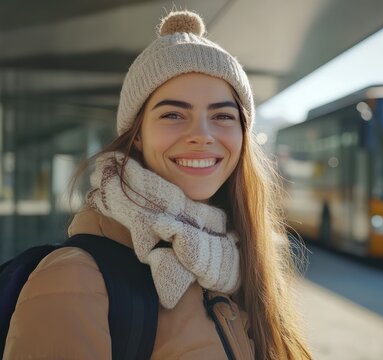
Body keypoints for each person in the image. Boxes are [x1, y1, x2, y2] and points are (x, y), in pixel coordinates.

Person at [4, 10, 312, 359]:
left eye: (223, 116)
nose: (202, 135)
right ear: (136, 136)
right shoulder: (73, 279)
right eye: (173, 114)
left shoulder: (241, 265)